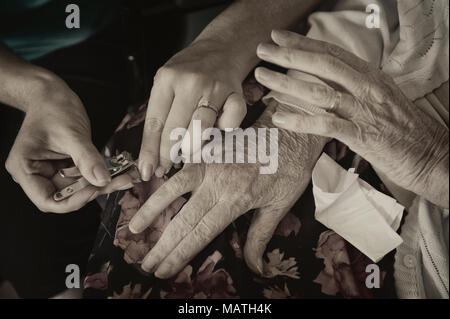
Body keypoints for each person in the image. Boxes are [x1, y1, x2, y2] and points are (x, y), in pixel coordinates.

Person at [128, 0, 449, 298]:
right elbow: (383, 10)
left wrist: (436, 165)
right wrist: (298, 117)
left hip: (415, 235)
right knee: (150, 167)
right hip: (345, 74)